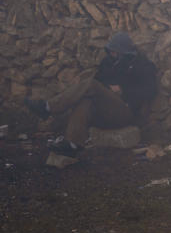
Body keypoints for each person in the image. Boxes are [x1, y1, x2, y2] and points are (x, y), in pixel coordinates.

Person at [24, 31, 157, 157]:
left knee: (90, 84)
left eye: (116, 51)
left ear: (125, 52)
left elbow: (150, 90)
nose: (112, 54)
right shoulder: (108, 62)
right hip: (106, 112)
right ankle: (73, 144)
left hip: (126, 111)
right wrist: (107, 89)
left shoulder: (142, 65)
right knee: (85, 99)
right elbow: (99, 81)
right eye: (111, 51)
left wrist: (123, 90)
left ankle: (48, 107)